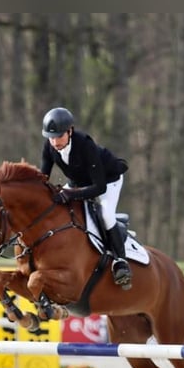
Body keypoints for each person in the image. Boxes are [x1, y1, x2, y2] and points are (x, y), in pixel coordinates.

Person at [40, 106, 132, 289]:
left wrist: (70, 194)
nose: (55, 141)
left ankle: (121, 262)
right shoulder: (49, 147)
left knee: (105, 214)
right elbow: (43, 177)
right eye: (51, 137)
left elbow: (99, 188)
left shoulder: (85, 145)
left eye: (59, 136)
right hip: (78, 181)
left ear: (70, 131)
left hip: (108, 180)